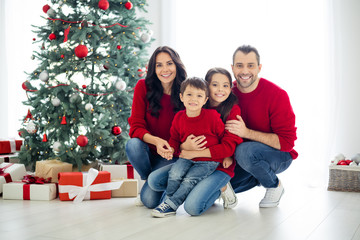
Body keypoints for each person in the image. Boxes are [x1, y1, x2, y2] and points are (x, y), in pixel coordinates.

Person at [148, 68, 243, 216]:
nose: (220, 89)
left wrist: (226, 154)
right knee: (170, 175)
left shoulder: (214, 115)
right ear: (182, 97)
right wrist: (174, 149)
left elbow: (225, 141)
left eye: (225, 85)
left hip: (210, 162)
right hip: (187, 158)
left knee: (191, 203)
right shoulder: (180, 116)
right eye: (215, 85)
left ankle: (215, 189)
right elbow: (174, 139)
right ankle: (169, 201)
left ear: (204, 99)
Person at [226, 45, 298, 207]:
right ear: (232, 68)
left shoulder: (277, 95)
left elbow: (287, 143)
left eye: (250, 65)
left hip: (278, 155)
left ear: (259, 68)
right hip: (240, 157)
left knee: (245, 151)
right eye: (239, 65)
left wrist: (246, 132)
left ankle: (274, 185)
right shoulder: (226, 92)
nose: (245, 71)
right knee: (216, 188)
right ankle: (256, 175)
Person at [126, 46, 187, 208]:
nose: (164, 69)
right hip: (148, 152)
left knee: (149, 201)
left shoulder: (186, 91)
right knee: (132, 144)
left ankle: (162, 182)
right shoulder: (142, 87)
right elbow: (135, 127)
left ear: (177, 66)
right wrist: (157, 141)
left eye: (169, 63)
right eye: (159, 65)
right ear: (153, 68)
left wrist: (171, 149)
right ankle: (151, 178)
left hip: (171, 155)